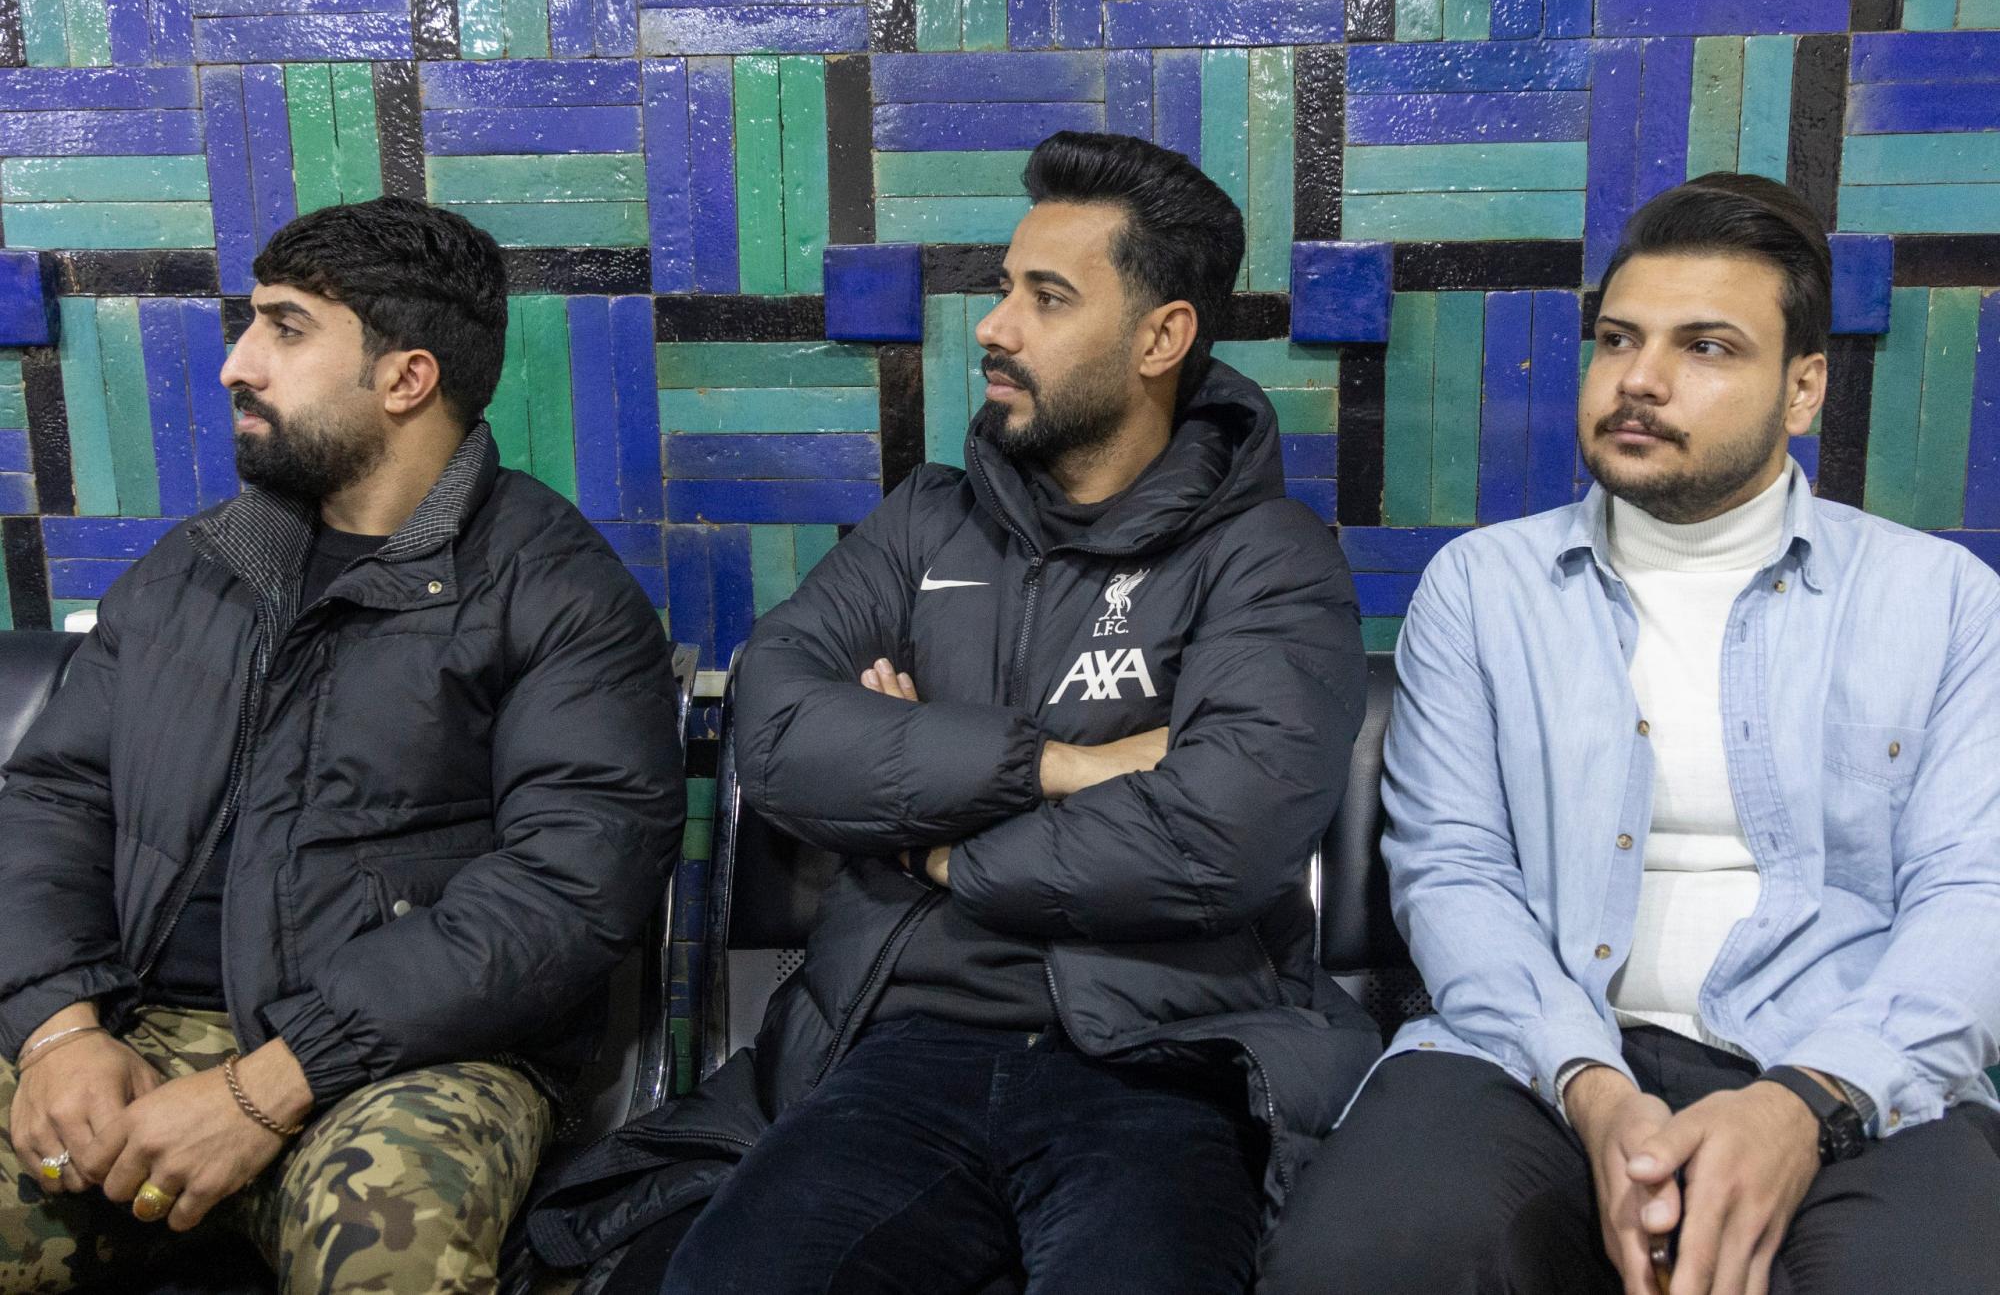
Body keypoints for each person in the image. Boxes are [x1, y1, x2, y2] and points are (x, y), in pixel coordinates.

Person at [527, 130, 1378, 1294]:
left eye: (1046, 298)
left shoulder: (1268, 559)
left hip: (1161, 1056)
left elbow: (1215, 838)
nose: (992, 326)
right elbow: (776, 731)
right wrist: (1054, 766)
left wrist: (930, 844)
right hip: (899, 1044)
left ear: (1160, 337)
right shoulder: (926, 523)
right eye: (1002, 289)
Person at [1259, 172, 2000, 1295]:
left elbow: (1974, 894)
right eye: (1617, 339)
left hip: (1849, 1061)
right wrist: (1593, 1089)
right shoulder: (1482, 589)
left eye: (1706, 348)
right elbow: (1452, 870)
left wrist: (1805, 1101)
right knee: (1357, 1265)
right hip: (1532, 1055)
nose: (1639, 380)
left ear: (1802, 389)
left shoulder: (1941, 602)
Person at [0, 196, 685, 1294]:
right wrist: (56, 1029)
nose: (236, 364)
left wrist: (271, 1082)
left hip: (411, 1062)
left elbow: (567, 887)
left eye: (285, 328)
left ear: (406, 379)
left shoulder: (561, 597)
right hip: (129, 1032)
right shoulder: (196, 569)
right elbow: (52, 801)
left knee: (387, 1251)